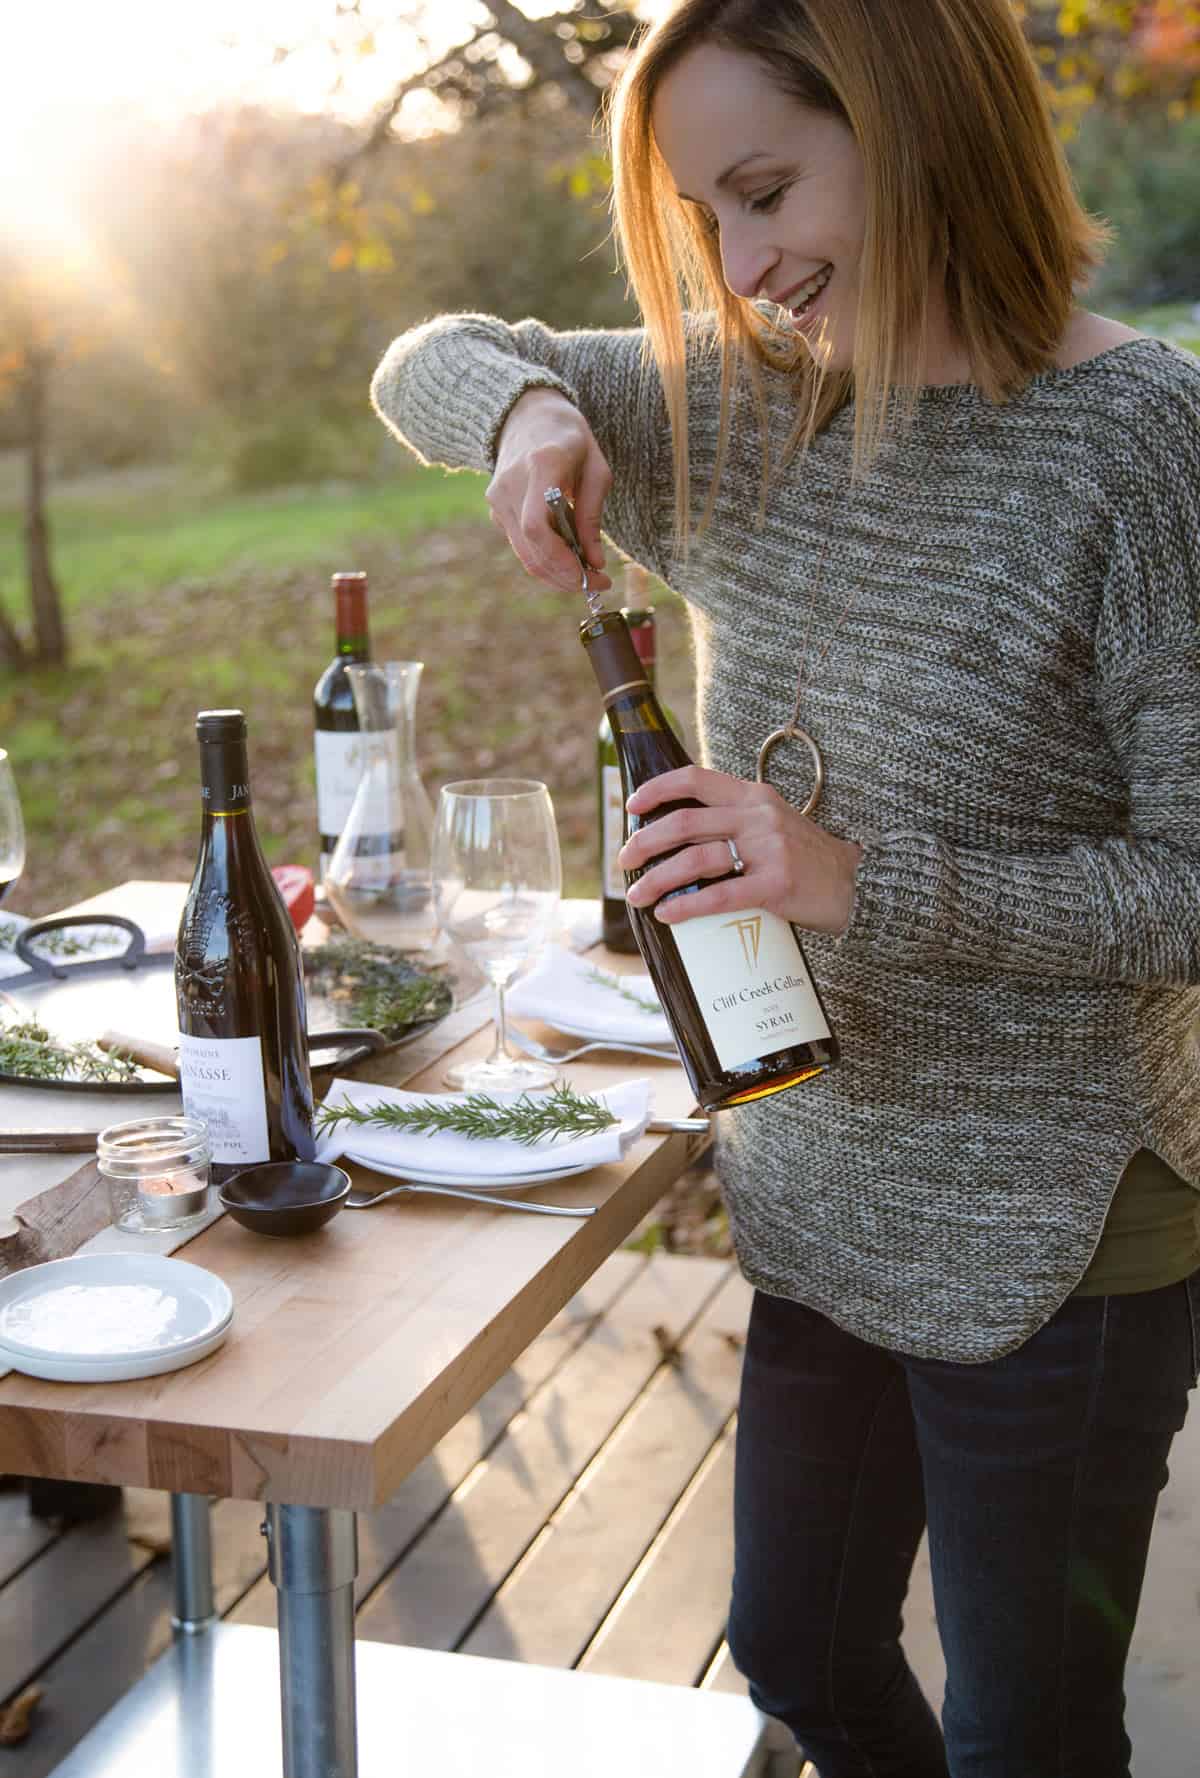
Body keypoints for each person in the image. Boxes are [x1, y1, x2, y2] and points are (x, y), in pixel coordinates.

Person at [369, 3, 1200, 1772]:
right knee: (803, 1652)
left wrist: (856, 880)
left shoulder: (1142, 445)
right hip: (817, 1174)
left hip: (1057, 1227)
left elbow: (1193, 886)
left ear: (914, 124)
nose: (739, 266)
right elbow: (424, 357)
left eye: (765, 191)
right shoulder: (743, 415)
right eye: (700, 220)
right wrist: (525, 410)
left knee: (1027, 1732)